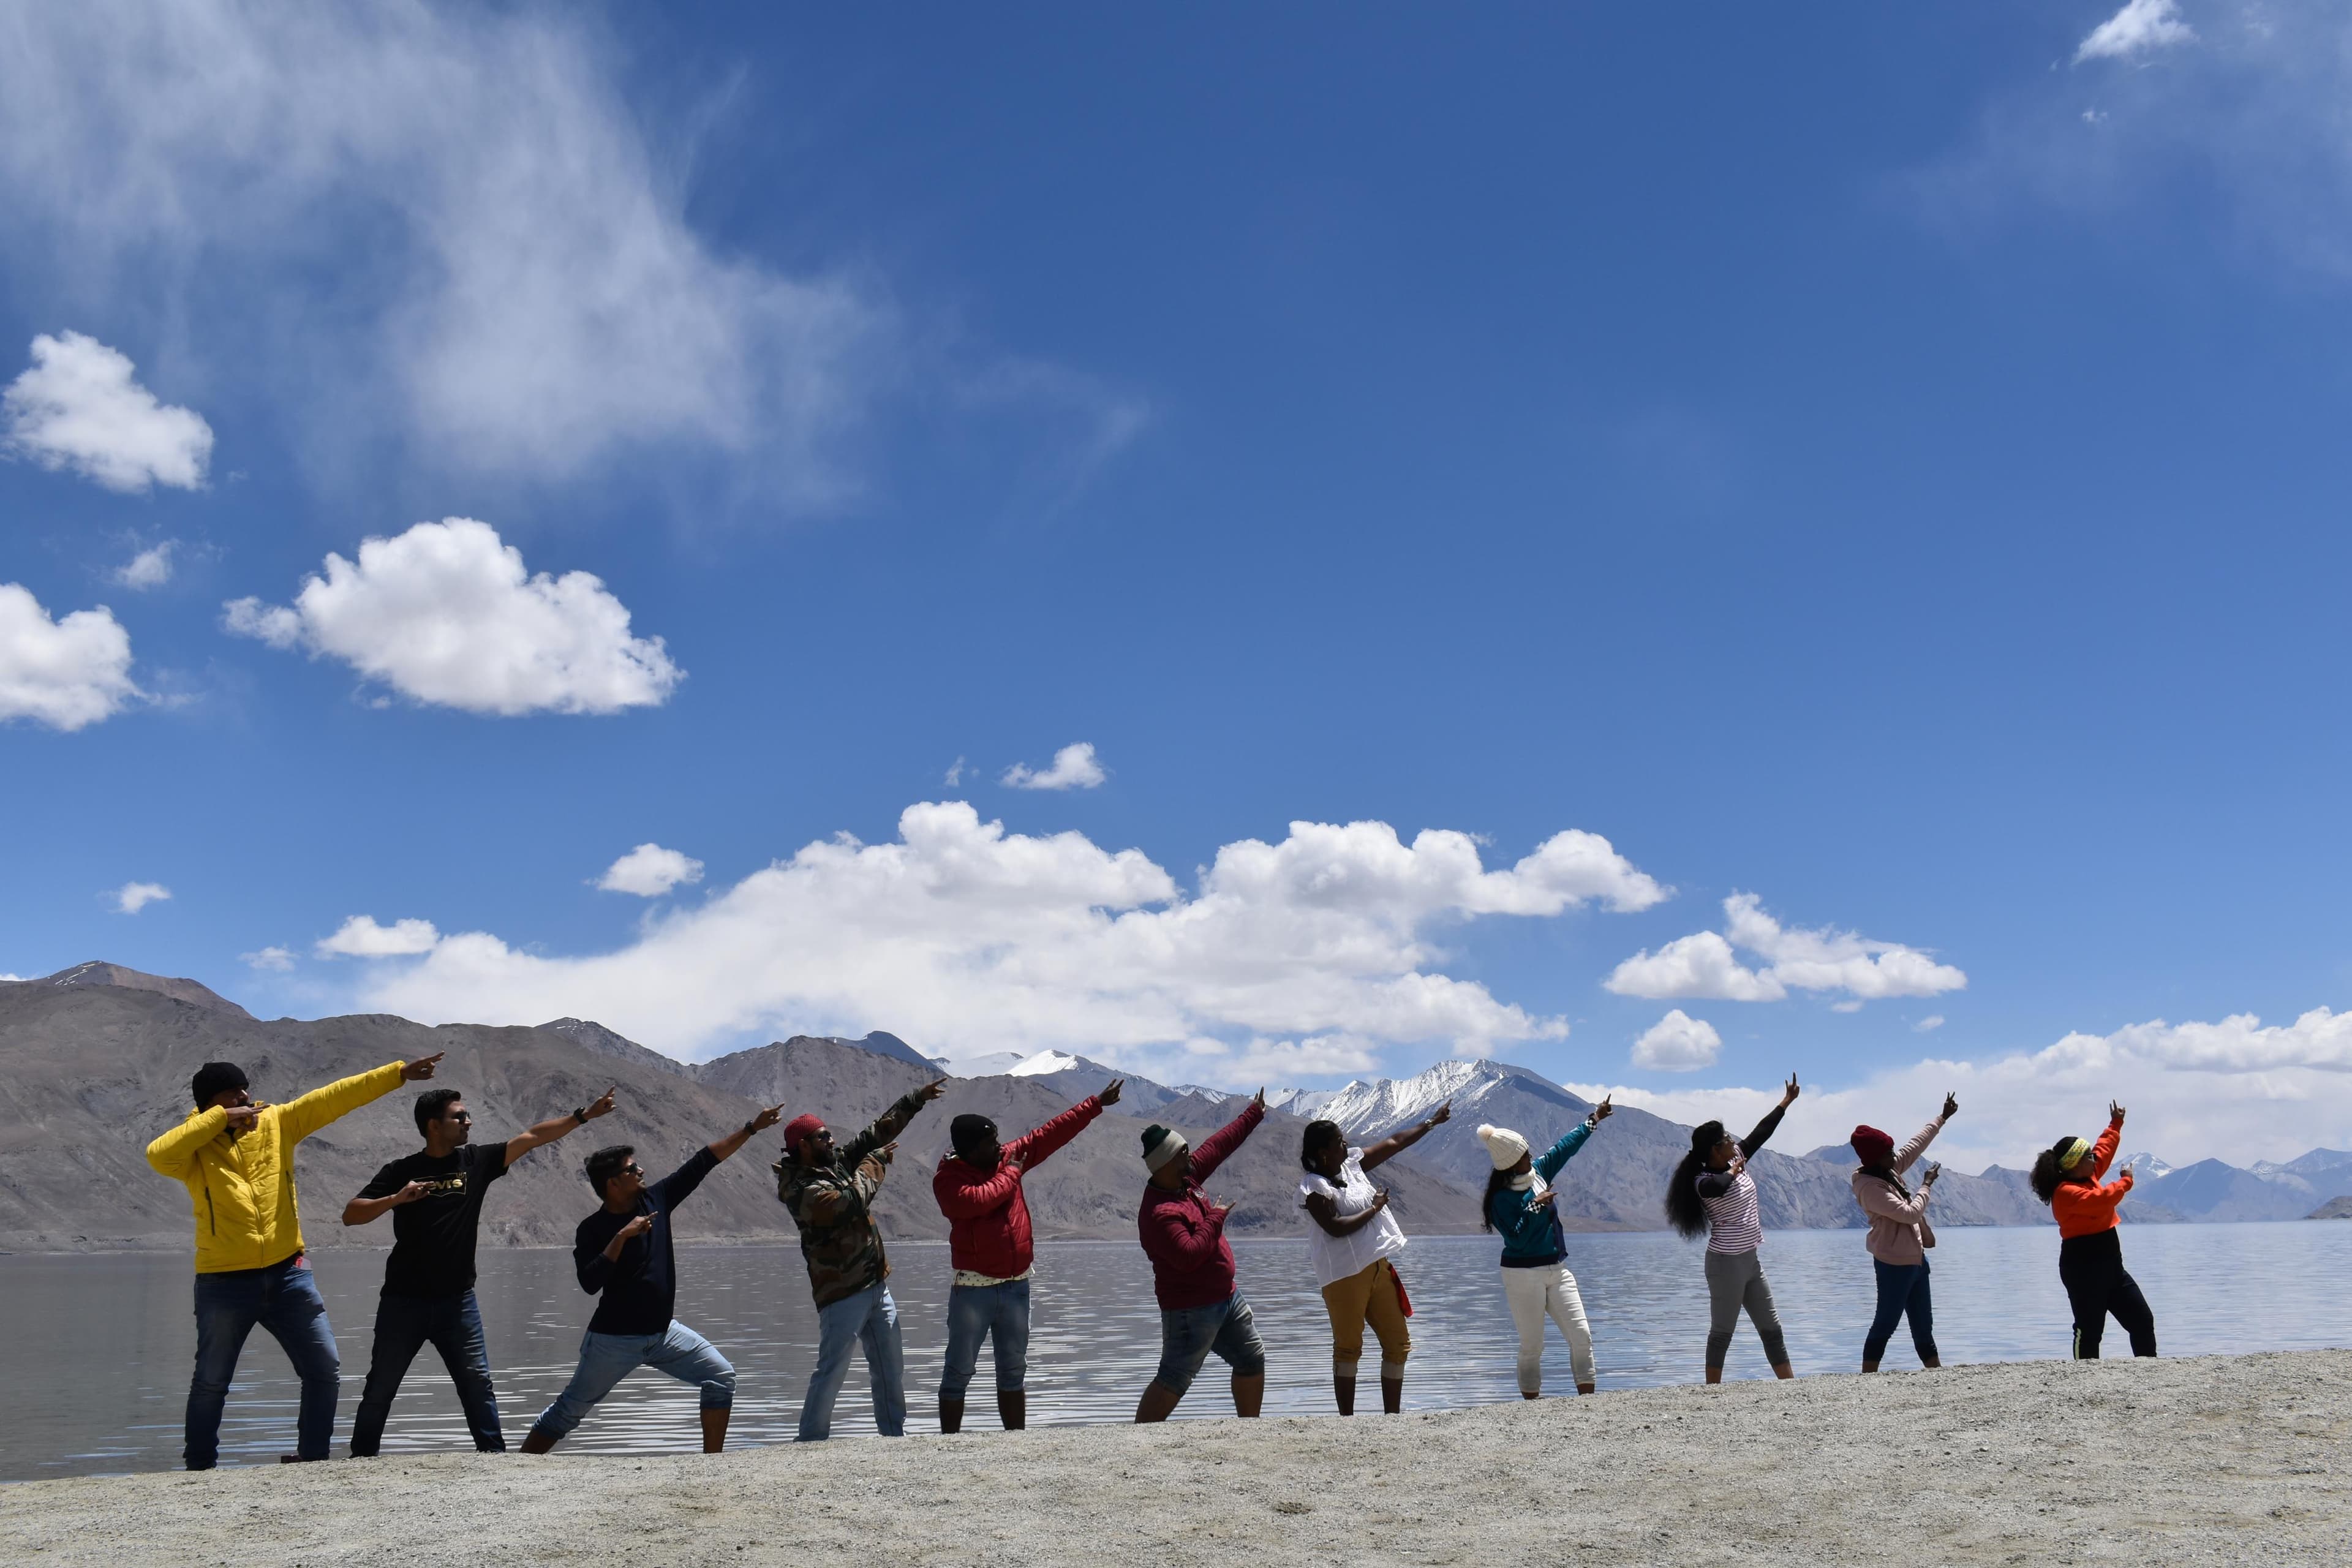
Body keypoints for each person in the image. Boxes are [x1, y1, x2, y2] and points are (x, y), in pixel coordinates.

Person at [144, 1050, 443, 1469]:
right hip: (223, 1282)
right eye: (234, 1093)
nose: (247, 1096)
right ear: (212, 1103)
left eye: (246, 1089)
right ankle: (199, 1469)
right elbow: (158, 1154)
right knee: (211, 1382)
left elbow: (333, 1098)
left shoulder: (276, 1123)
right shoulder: (193, 1148)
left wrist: (397, 1074)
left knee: (324, 1368)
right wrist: (217, 1120)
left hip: (289, 1275)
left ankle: (313, 1459)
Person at [341, 1082, 620, 1456]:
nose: (468, 1122)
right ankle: (359, 1463)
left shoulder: (476, 1161)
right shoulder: (402, 1171)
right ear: (433, 1125)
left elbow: (532, 1137)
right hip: (403, 1302)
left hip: (458, 1303)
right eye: (459, 1117)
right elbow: (351, 1215)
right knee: (380, 1387)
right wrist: (395, 1199)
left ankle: (495, 1461)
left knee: (477, 1384)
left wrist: (584, 1115)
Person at [519, 1102, 785, 1455]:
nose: (642, 1170)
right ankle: (520, 1465)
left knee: (721, 1377)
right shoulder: (593, 1229)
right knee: (570, 1410)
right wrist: (620, 1238)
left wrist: (752, 1128)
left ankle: (714, 1465)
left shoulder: (655, 1199)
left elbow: (704, 1161)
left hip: (663, 1333)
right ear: (613, 1184)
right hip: (613, 1340)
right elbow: (589, 1283)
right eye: (632, 1169)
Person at [931, 1079, 1123, 1433]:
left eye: (998, 1139)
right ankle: (949, 1445)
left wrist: (1094, 1104)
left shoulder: (1006, 1157)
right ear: (970, 1151)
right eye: (991, 1143)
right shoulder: (949, 1180)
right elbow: (979, 1201)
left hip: (1017, 1285)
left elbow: (1050, 1134)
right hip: (974, 1289)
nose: (1000, 1146)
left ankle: (1016, 1442)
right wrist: (1014, 1173)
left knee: (1013, 1368)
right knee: (959, 1369)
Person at [775, 1079, 949, 1441]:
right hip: (841, 1293)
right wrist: (875, 1164)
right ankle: (809, 1441)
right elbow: (852, 1201)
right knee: (833, 1370)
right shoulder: (802, 1190)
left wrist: (914, 1100)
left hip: (875, 1284)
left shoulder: (834, 1165)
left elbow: (875, 1134)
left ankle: (893, 1437)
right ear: (803, 1147)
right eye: (823, 1137)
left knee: (890, 1367)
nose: (832, 1141)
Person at [1300, 1102, 1449, 1414]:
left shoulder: (1352, 1166)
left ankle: (1391, 1418)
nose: (1346, 1144)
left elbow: (1395, 1142)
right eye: (1339, 1141)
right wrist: (1375, 1208)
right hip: (1343, 1276)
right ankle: (1348, 1420)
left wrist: (1432, 1122)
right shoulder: (1315, 1187)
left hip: (1377, 1267)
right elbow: (1335, 1228)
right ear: (1324, 1152)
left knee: (1398, 1343)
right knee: (1348, 1348)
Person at [1134, 1091, 1268, 1422]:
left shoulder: (1186, 1178)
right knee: (1174, 1378)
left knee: (1251, 1358)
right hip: (1190, 1309)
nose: (1190, 1158)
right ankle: (1133, 1442)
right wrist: (1217, 1215)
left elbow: (1218, 1146)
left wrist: (1253, 1114)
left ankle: (1251, 1430)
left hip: (1225, 1297)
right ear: (1166, 1163)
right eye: (1183, 1154)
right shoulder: (1160, 1212)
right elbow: (1188, 1255)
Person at [1664, 1073, 1800, 1385]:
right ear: (1714, 1150)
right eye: (1726, 1140)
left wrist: (1786, 1102)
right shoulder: (1701, 1181)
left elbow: (1761, 1133)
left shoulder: (1736, 1155)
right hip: (1725, 1264)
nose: (1732, 1142)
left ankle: (1791, 1386)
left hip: (1750, 1261)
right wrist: (1735, 1170)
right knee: (1723, 1331)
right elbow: (1720, 1186)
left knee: (1771, 1327)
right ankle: (1713, 1391)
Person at [1477, 1099, 1613, 1400]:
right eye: (1526, 1154)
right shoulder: (1501, 1199)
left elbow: (1564, 1148)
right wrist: (1533, 1209)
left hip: (1557, 1269)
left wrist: (1594, 1119)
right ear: (1513, 1162)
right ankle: (1531, 1407)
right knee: (1533, 1345)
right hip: (1522, 1275)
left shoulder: (1538, 1173)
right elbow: (1516, 1239)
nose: (1532, 1156)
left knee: (1582, 1337)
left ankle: (1589, 1402)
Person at [2030, 1101, 2156, 1360]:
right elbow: (2102, 1201)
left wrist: (2116, 1123)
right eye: (2089, 1156)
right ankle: (2082, 1378)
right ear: (2075, 1164)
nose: (2095, 1159)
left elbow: (2104, 1149)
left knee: (2142, 1320)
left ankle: (2149, 1373)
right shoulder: (2065, 1193)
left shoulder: (2087, 1175)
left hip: (2112, 1266)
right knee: (2089, 1331)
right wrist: (2126, 1180)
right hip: (2083, 1269)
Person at [1849, 1092, 1958, 1373]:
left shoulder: (1888, 1170)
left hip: (1916, 1260)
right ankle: (1867, 1377)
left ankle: (1936, 1375)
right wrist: (1926, 1185)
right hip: (1893, 1264)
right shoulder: (1870, 1188)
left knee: (1924, 1326)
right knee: (1885, 1323)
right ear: (1875, 1159)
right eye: (1888, 1153)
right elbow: (1910, 1213)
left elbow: (1914, 1146)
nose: (1894, 1156)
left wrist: (1941, 1118)